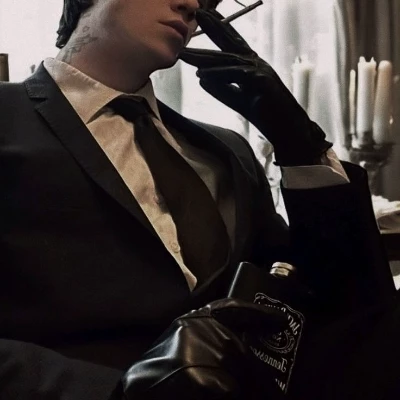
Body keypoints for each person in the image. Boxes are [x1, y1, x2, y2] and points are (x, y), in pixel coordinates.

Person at [0, 0, 397, 399]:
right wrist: (120, 393)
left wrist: (300, 143)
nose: (191, 6)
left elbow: (339, 308)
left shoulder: (226, 151)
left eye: (206, 1)